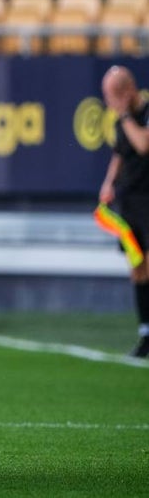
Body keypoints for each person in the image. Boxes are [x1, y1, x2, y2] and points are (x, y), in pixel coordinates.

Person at [98, 65, 149, 358]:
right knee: (137, 268)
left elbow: (143, 144)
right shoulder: (120, 121)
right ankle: (145, 333)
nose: (110, 103)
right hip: (128, 205)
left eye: (113, 96)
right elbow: (119, 154)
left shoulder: (137, 115)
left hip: (148, 201)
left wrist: (126, 114)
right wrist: (108, 184)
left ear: (128, 92)